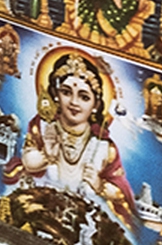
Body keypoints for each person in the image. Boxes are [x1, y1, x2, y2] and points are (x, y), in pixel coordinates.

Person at [9, 50, 133, 219]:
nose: (74, 103)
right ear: (56, 95)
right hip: (41, 205)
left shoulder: (104, 146)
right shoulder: (44, 125)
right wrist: (47, 156)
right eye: (66, 92)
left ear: (95, 104)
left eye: (84, 97)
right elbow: (27, 161)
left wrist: (100, 185)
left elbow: (121, 194)